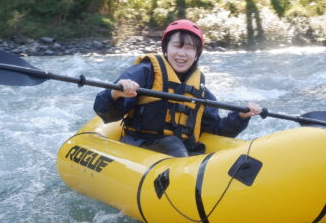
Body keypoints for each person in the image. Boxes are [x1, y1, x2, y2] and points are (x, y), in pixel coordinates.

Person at [93, 19, 262, 157]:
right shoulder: (144, 72)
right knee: (172, 143)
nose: (182, 53)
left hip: (181, 150)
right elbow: (105, 112)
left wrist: (240, 117)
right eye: (177, 46)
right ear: (165, 48)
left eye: (189, 48)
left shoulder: (199, 89)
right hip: (140, 146)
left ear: (196, 54)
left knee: (180, 146)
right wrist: (116, 93)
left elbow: (216, 130)